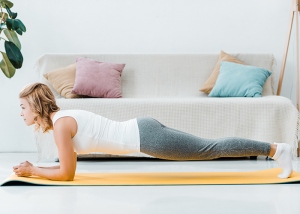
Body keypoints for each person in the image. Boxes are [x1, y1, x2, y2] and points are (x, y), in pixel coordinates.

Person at [13, 83, 293, 181]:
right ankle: (275, 149)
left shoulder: (61, 125)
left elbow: (66, 173)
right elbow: (66, 168)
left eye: (23, 107)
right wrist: (34, 168)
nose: (22, 113)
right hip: (143, 129)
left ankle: (276, 150)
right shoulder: (62, 120)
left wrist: (33, 170)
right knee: (210, 147)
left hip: (146, 138)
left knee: (211, 148)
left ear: (36, 106)